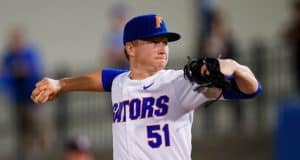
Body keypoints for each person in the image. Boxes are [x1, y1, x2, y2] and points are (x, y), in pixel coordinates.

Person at [31, 14, 262, 160]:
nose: (162, 47)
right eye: (153, 42)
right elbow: (101, 78)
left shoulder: (179, 82)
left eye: (165, 42)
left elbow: (250, 90)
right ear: (130, 48)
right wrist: (61, 84)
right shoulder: (121, 82)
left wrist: (234, 66)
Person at [0, 27, 52, 160]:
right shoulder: (9, 56)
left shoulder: (30, 53)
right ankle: (25, 155)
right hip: (18, 100)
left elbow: (29, 71)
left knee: (39, 128)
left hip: (33, 99)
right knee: (22, 131)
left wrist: (16, 70)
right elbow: (5, 75)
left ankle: (46, 154)